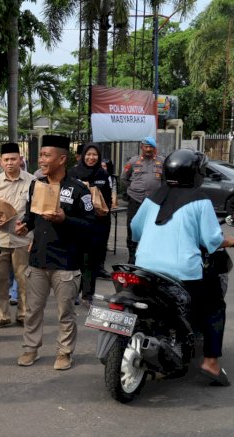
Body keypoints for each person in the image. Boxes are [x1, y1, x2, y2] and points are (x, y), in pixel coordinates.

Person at [131, 149, 234, 387]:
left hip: (144, 269)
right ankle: (210, 362)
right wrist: (230, 240)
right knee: (214, 307)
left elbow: (136, 231)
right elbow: (213, 241)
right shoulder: (200, 201)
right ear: (196, 173)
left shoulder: (153, 197)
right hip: (182, 274)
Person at [15, 135, 96, 370]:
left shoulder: (79, 190)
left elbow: (91, 225)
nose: (41, 160)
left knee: (65, 313)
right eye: (40, 155)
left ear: (61, 159)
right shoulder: (36, 184)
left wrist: (65, 219)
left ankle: (64, 353)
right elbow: (31, 216)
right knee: (32, 311)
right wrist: (24, 224)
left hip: (66, 262)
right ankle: (31, 349)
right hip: (38, 259)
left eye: (46, 155)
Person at [0, 143, 35, 331]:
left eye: (14, 159)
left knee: (24, 279)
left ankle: (23, 315)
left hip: (23, 239)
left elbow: (36, 211)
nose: (10, 163)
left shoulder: (32, 182)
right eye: (6, 160)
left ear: (20, 159)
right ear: (1, 161)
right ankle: (2, 316)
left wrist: (32, 232)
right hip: (0, 239)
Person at [69, 142, 112, 303]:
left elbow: (108, 201)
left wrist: (94, 190)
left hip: (97, 225)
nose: (91, 157)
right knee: (75, 260)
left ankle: (88, 295)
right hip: (76, 224)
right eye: (88, 154)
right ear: (83, 155)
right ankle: (74, 293)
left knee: (91, 261)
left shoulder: (103, 175)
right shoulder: (73, 172)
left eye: (94, 155)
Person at [121, 136, 165, 264]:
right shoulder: (133, 161)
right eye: (146, 146)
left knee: (153, 227)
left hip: (153, 201)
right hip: (136, 199)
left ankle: (149, 254)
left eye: (151, 147)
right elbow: (124, 178)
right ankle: (132, 255)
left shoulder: (161, 161)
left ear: (154, 148)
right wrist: (133, 189)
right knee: (132, 226)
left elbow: (164, 180)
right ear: (142, 147)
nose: (148, 149)